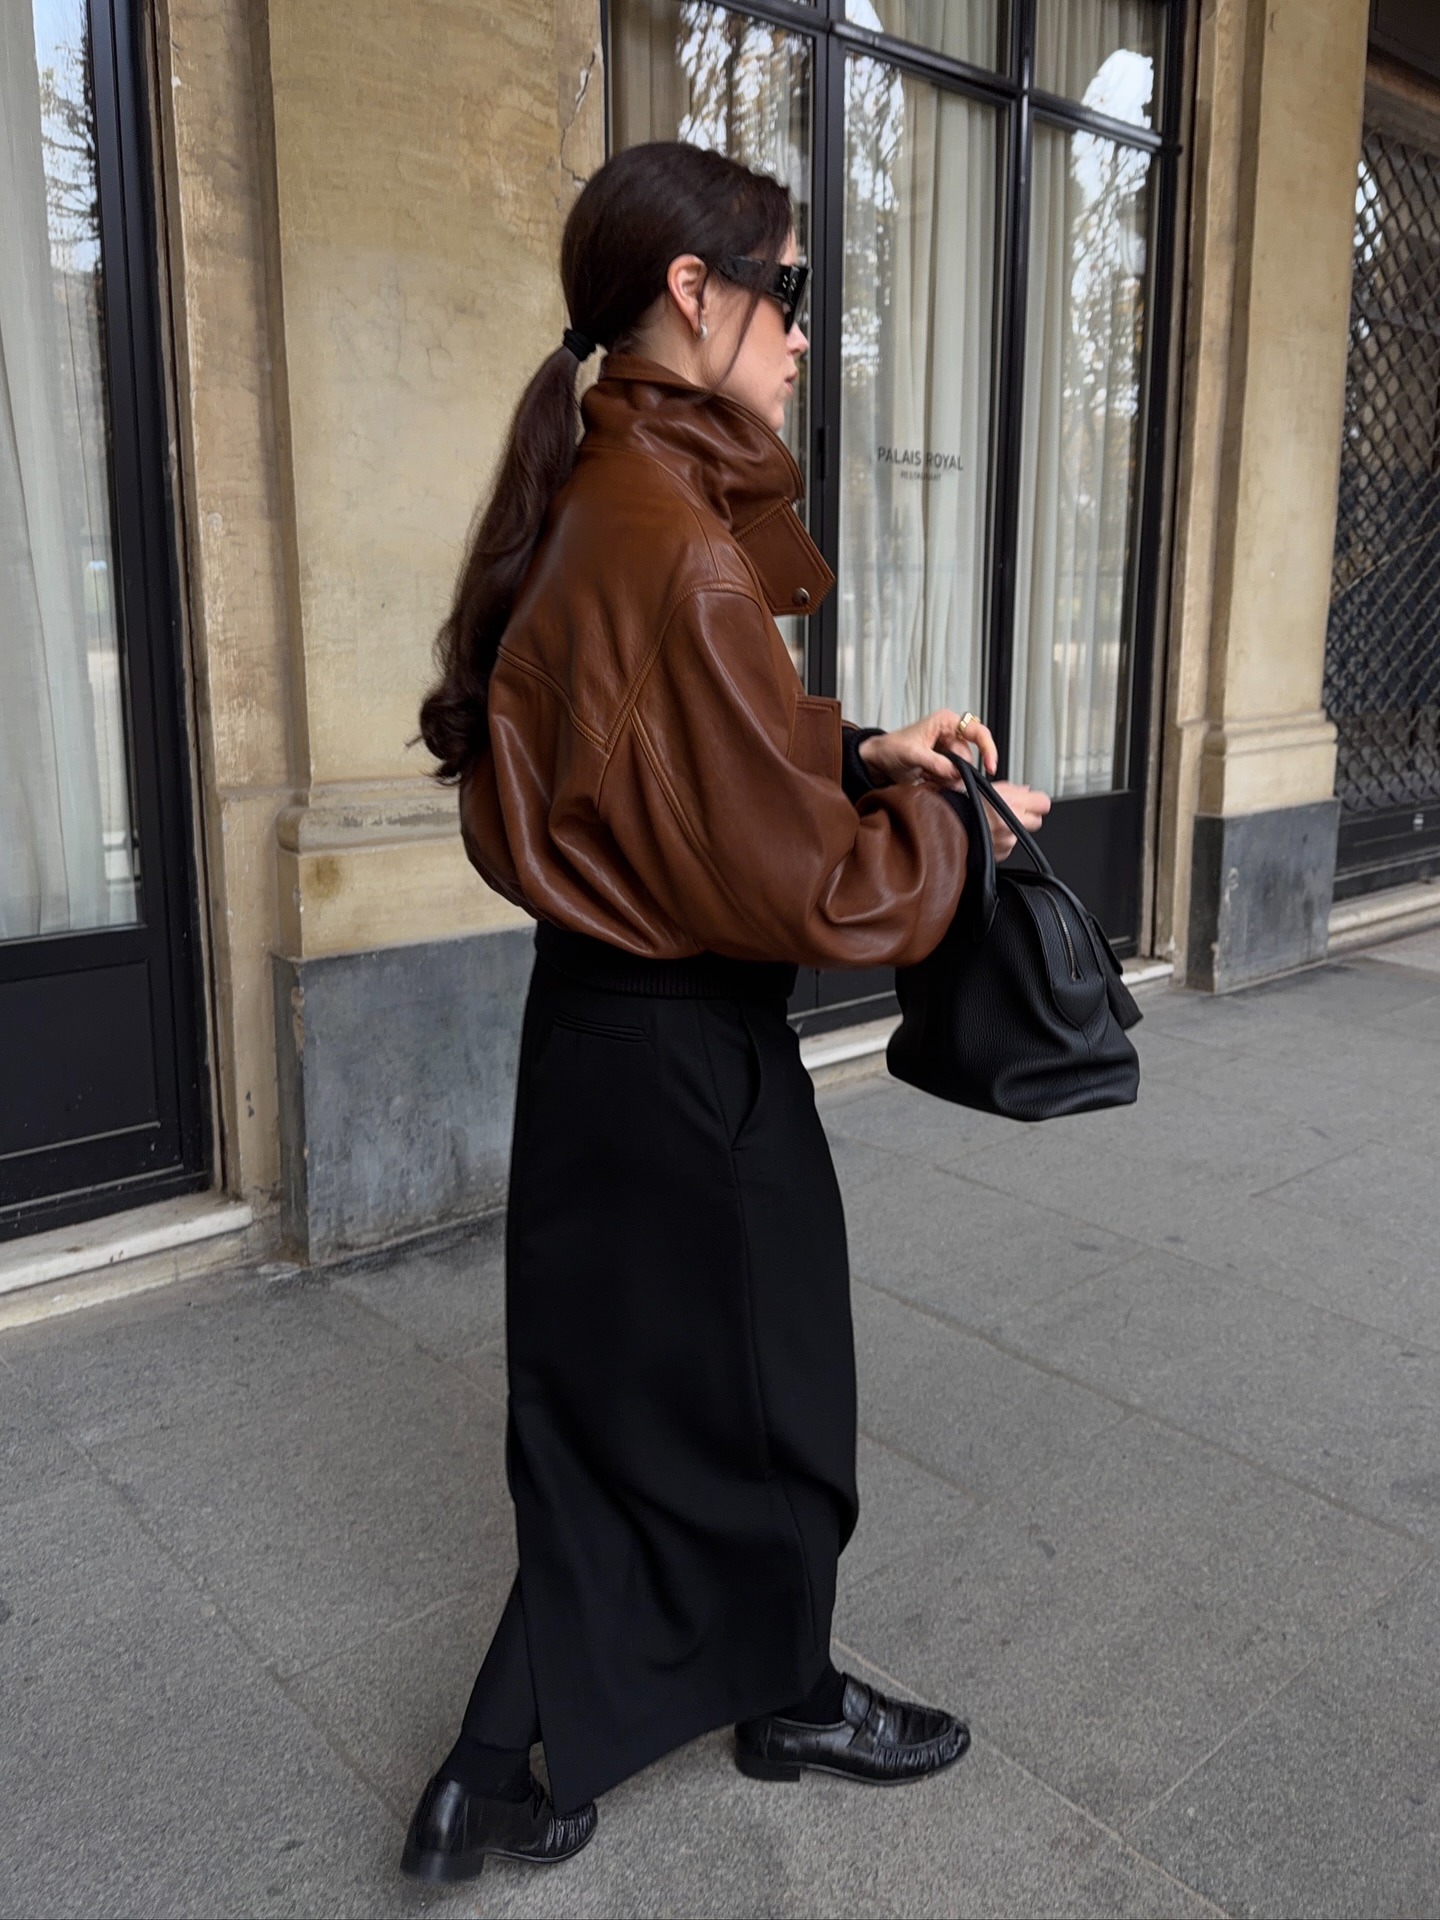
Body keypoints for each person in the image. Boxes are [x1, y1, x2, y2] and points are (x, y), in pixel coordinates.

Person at [403, 139, 1051, 1886]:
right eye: (791, 294)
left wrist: (854, 749)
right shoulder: (674, 545)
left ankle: (545, 1752)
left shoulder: (604, 491)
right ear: (695, 293)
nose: (797, 341)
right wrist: (953, 823)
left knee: (627, 1406)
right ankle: (674, 1722)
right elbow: (822, 896)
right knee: (776, 1400)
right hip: (695, 1051)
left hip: (598, 1036)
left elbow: (658, 757)